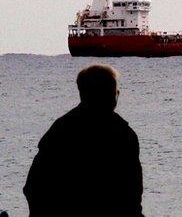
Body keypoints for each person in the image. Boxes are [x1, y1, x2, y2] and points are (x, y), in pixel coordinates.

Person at [23, 64, 144, 217]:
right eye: (114, 92)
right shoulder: (124, 135)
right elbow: (132, 193)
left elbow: (34, 187)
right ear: (112, 96)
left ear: (83, 94)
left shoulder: (60, 130)